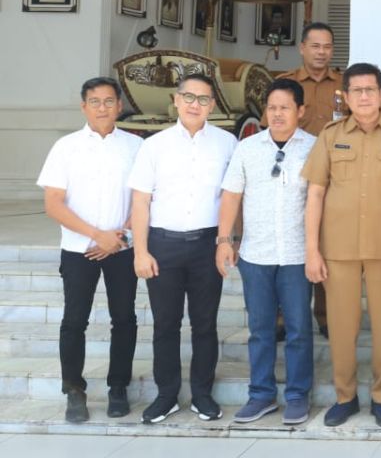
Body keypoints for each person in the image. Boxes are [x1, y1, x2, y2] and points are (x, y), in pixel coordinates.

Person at [301, 63, 381, 428]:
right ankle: (345, 396)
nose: (365, 97)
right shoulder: (330, 136)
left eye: (371, 89)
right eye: (357, 91)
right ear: (346, 96)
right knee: (341, 327)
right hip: (338, 248)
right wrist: (311, 249)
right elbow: (316, 192)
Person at [128, 73, 238, 424]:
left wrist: (228, 241)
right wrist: (140, 251)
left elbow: (233, 199)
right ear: (175, 100)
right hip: (163, 244)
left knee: (205, 324)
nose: (195, 104)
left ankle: (202, 394)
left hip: (208, 244)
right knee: (165, 324)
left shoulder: (227, 144)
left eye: (203, 99)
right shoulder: (153, 145)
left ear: (213, 105)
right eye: (188, 97)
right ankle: (166, 395)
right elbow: (140, 201)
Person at [37, 77, 142, 423]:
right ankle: (74, 391)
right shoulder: (65, 147)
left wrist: (121, 236)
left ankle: (118, 387)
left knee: (124, 319)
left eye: (109, 101)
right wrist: (97, 234)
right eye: (94, 102)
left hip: (122, 249)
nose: (102, 108)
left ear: (119, 106)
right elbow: (53, 204)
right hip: (78, 249)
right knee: (73, 322)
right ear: (83, 107)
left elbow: (144, 199)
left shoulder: (135, 146)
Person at [216, 78, 316, 426]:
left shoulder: (314, 148)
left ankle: (297, 395)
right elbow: (231, 195)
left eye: (285, 107)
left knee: (299, 328)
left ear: (300, 111)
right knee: (260, 329)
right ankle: (261, 394)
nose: (277, 114)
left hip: (297, 255)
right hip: (256, 255)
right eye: (271, 107)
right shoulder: (247, 148)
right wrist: (224, 240)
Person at [277, 22, 343, 337]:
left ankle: (328, 317)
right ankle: (282, 319)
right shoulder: (285, 84)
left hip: (331, 180)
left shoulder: (344, 85)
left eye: (327, 46)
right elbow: (272, 129)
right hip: (289, 180)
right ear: (302, 47)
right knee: (288, 247)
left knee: (326, 247)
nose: (321, 52)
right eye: (315, 46)